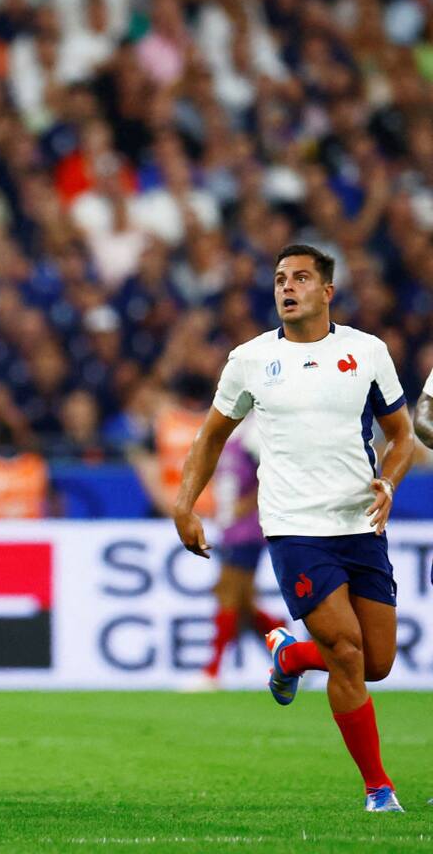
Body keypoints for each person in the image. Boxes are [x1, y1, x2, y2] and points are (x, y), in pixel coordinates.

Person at [174, 244, 415, 813]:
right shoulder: (250, 360)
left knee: (376, 662)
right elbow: (210, 437)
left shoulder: (367, 352)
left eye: (301, 278)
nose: (287, 287)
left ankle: (291, 656)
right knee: (350, 654)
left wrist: (390, 482)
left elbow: (403, 436)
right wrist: (186, 504)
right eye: (281, 278)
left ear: (327, 291)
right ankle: (379, 788)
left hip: (360, 526)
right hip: (293, 529)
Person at [197, 414, 285, 688]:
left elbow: (272, 476)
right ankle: (293, 657)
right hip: (230, 529)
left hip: (246, 530)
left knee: (227, 594)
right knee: (244, 605)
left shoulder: (254, 434)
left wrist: (243, 508)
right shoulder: (229, 434)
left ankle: (212, 672)